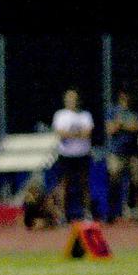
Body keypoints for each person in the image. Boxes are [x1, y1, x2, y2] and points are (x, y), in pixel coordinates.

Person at [50, 88, 95, 221]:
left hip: (82, 154)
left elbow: (87, 133)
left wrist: (71, 134)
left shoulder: (85, 115)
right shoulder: (60, 115)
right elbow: (60, 133)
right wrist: (77, 134)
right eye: (69, 98)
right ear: (65, 100)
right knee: (63, 184)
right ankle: (62, 215)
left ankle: (87, 214)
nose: (72, 101)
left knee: (84, 184)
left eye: (74, 98)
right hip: (66, 155)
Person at [104, 89, 138, 222]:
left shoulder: (136, 111)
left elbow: (137, 127)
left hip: (133, 153)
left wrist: (121, 124)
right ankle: (111, 213)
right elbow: (110, 129)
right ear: (121, 96)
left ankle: (136, 211)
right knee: (114, 182)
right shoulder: (112, 111)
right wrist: (124, 125)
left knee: (137, 181)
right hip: (116, 152)